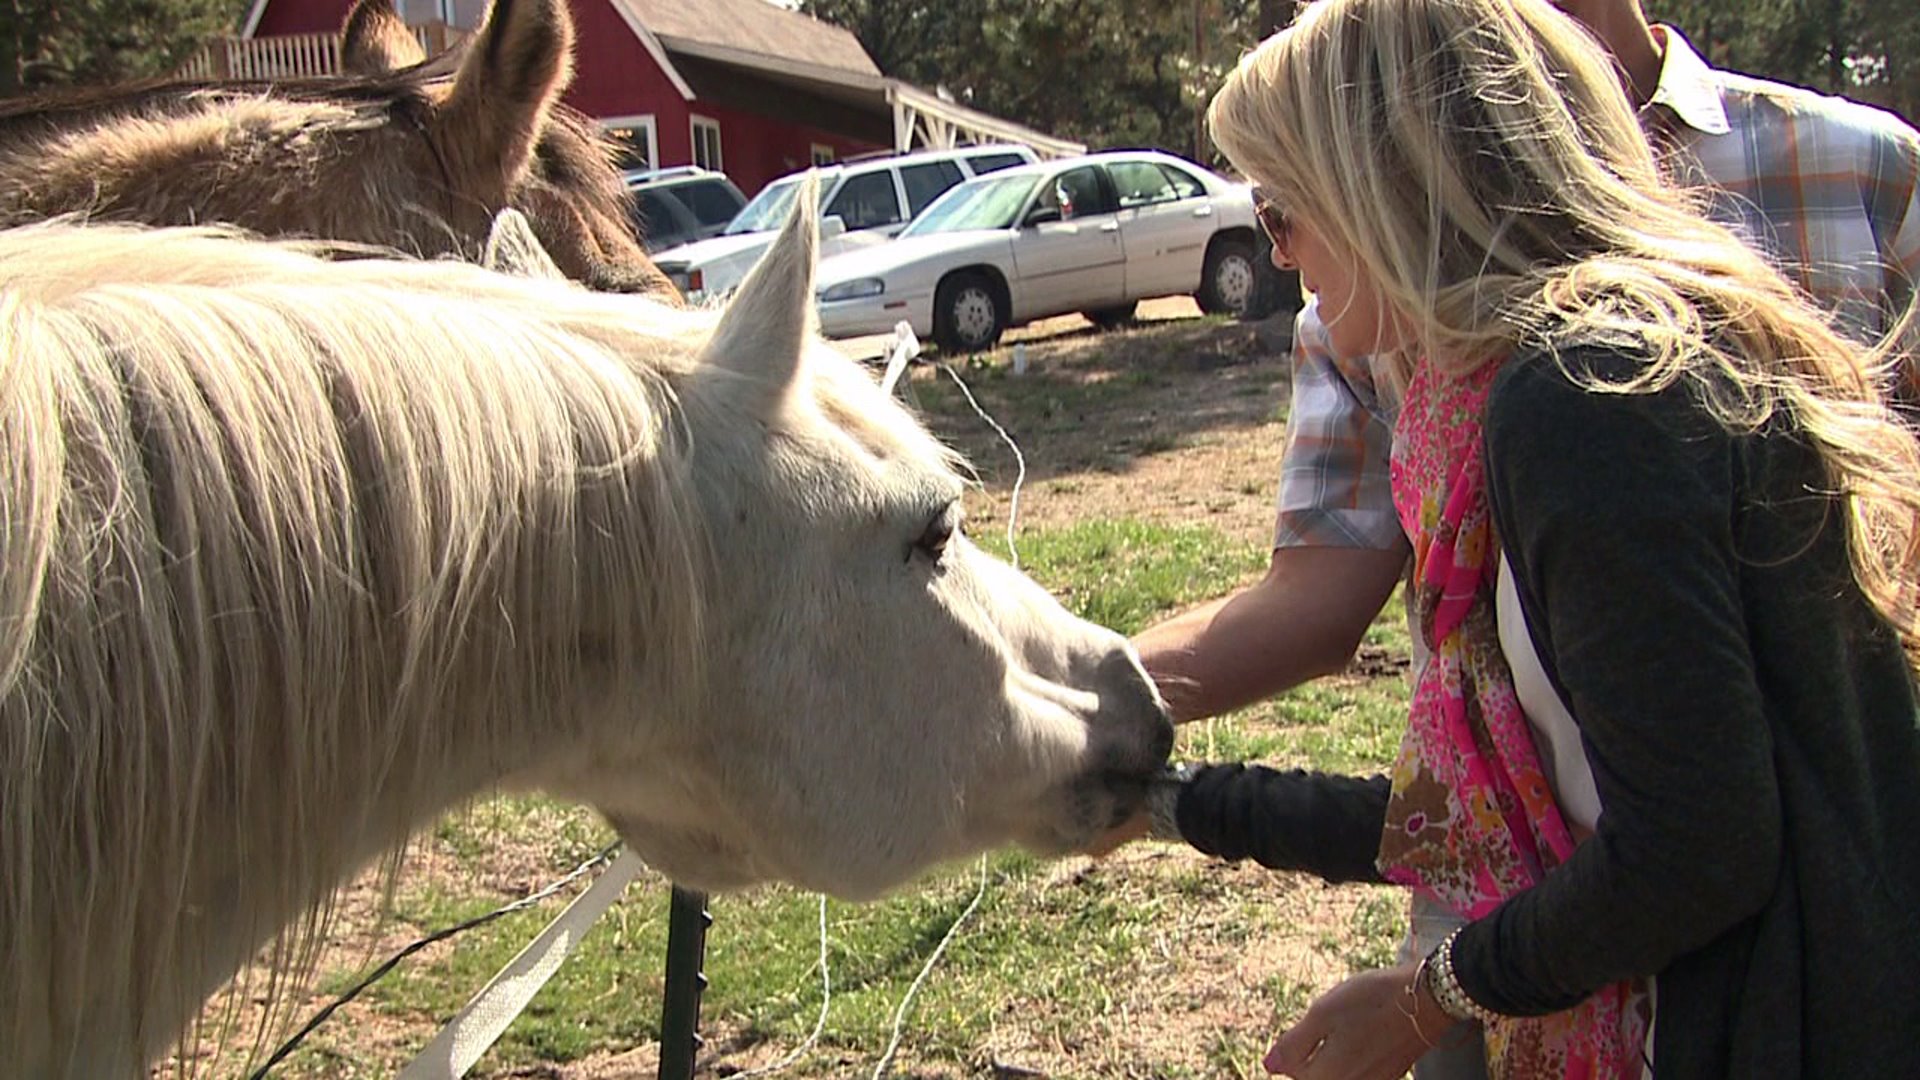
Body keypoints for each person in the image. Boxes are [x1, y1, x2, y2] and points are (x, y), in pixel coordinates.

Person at [1117, 0, 1920, 1075]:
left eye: (1280, 211)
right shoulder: (1544, 384)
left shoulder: (1586, 400)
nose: (1281, 255)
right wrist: (1170, 803)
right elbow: (1488, 813)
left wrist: (1429, 997)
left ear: (1384, 177)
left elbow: (1698, 847)